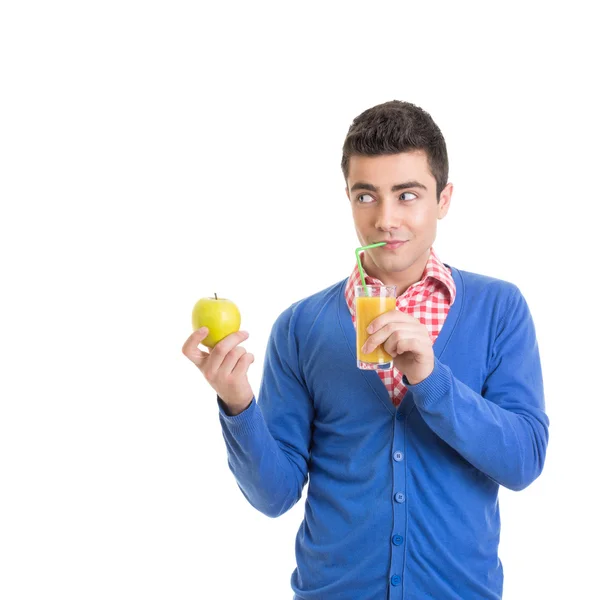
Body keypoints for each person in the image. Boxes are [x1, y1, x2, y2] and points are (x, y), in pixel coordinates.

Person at [182, 100, 549, 599]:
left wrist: (432, 380)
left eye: (407, 195)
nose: (385, 219)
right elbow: (274, 495)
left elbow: (524, 461)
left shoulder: (499, 308)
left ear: (443, 200)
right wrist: (238, 404)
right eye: (366, 196)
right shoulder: (301, 326)